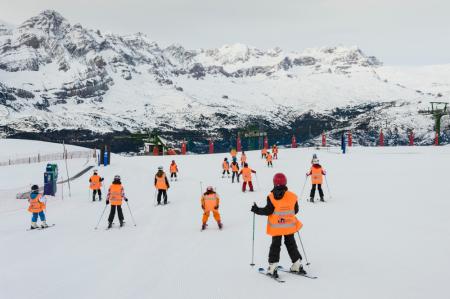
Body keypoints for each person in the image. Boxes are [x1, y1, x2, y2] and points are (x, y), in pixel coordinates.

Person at [251, 173, 305, 278]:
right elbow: (296, 210)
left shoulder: (271, 197)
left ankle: (273, 267)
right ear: (285, 182)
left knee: (275, 245)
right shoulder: (292, 196)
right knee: (291, 244)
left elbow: (268, 211)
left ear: (274, 182)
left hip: (277, 228)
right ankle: (297, 265)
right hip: (289, 226)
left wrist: (256, 210)